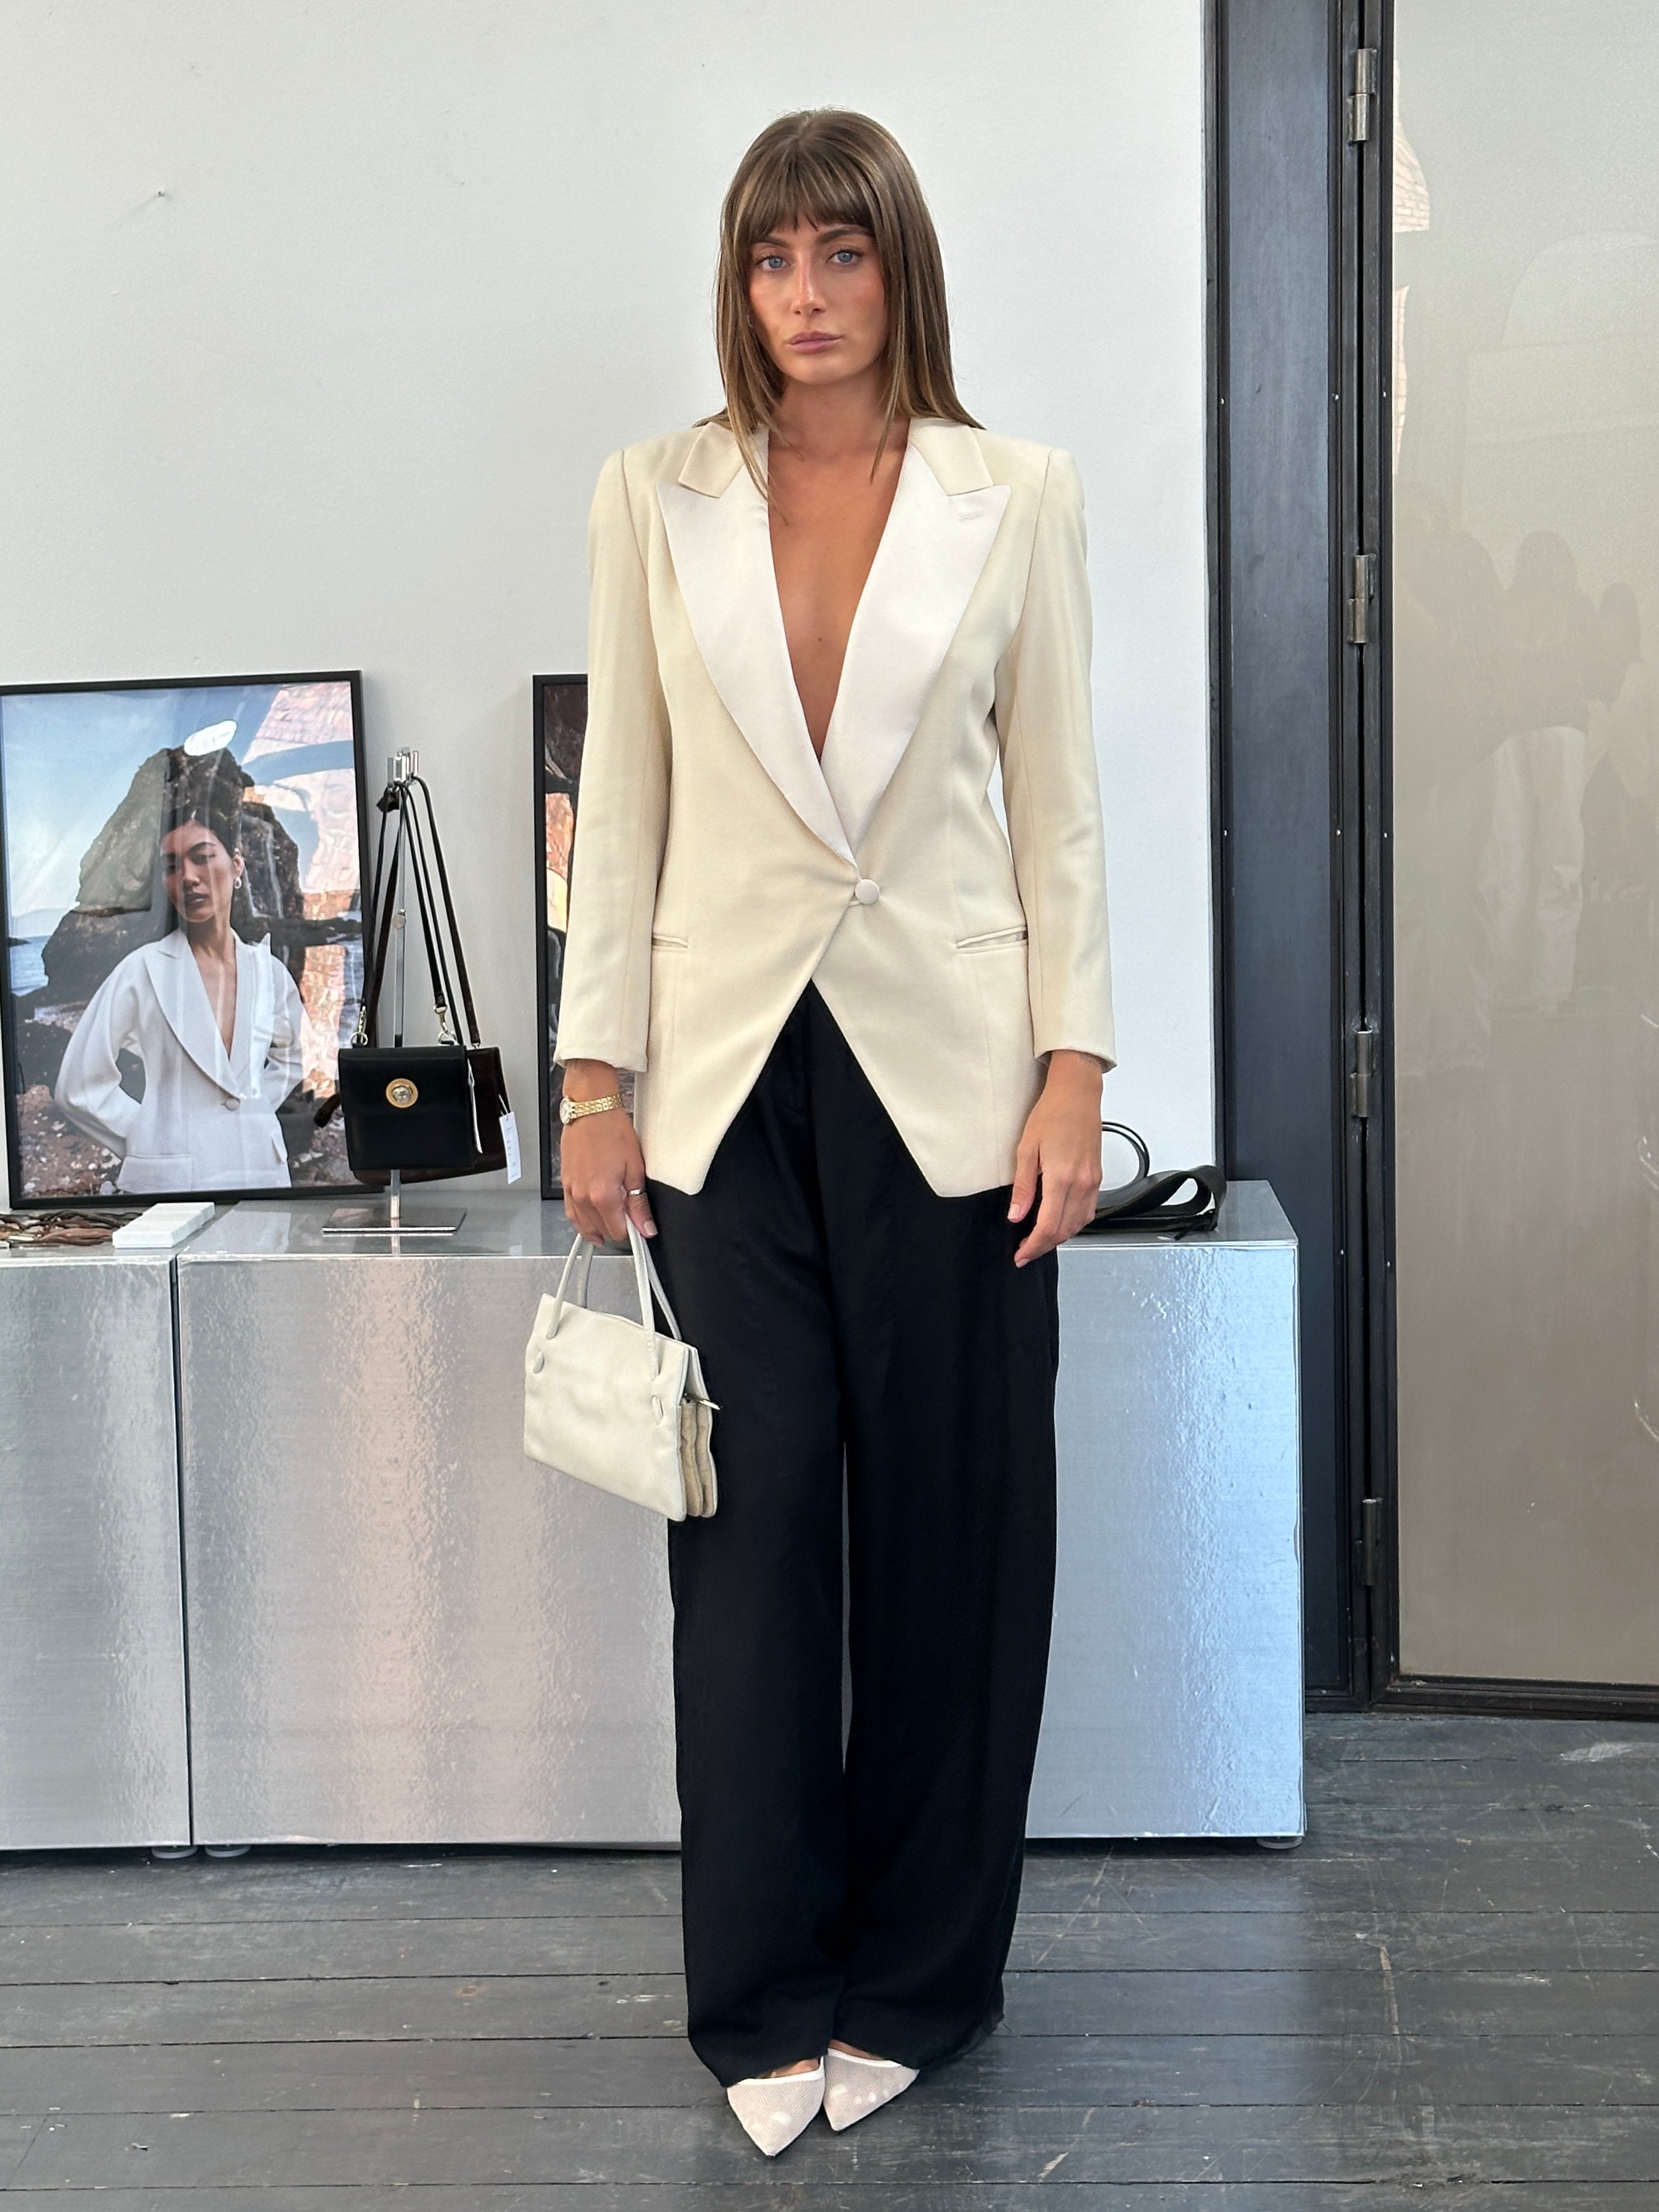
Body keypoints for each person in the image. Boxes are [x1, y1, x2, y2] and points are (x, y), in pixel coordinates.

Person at [554, 109, 1114, 2157]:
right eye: (772, 257)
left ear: (898, 269)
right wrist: (592, 1076)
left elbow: (1056, 803)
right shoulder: (653, 492)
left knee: (954, 1541)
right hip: (718, 1086)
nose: (805, 294)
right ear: (741, 281)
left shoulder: (1013, 494)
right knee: (752, 1534)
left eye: (841, 253)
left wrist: (1074, 1069)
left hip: (953, 1085)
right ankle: (763, 1989)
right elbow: (623, 799)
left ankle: (923, 1981)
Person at [55, 748, 306, 1192]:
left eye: (202, 856)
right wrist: (149, 1133)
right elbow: (79, 1085)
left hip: (260, 1170)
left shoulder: (268, 974)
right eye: (171, 866)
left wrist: (252, 1113)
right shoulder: (141, 972)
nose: (187, 877)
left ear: (237, 864)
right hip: (170, 1182)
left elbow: (293, 1058)